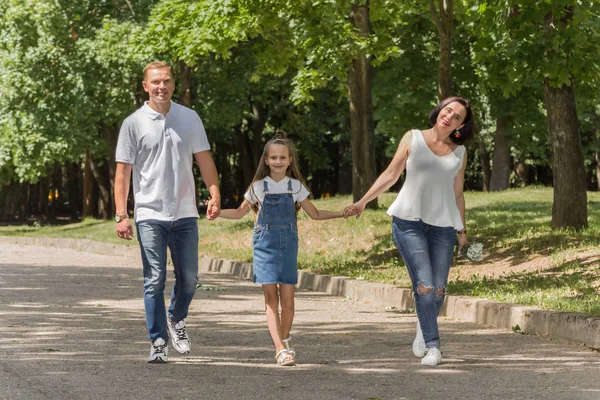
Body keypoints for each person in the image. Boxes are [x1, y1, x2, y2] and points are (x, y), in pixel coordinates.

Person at [344, 96, 473, 366]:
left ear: (461, 125)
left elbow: (457, 193)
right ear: (439, 110)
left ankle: (422, 326)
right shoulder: (412, 138)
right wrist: (363, 201)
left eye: (457, 117)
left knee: (438, 290)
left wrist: (462, 231)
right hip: (408, 221)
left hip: (444, 227)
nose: (450, 117)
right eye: (448, 110)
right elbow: (391, 175)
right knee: (424, 286)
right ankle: (434, 347)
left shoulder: (459, 152)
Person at [114, 61, 221, 363]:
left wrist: (214, 194)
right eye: (156, 82)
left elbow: (204, 160)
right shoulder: (133, 123)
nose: (162, 86)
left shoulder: (189, 118)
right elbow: (122, 174)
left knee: (189, 278)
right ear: (145, 86)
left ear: (173, 84)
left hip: (185, 213)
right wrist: (122, 214)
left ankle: (176, 317)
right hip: (149, 214)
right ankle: (158, 340)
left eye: (167, 81)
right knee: (154, 279)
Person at [218, 131, 345, 366]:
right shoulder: (258, 187)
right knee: (271, 300)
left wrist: (342, 213)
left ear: (290, 161)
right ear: (266, 160)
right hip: (264, 246)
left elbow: (315, 214)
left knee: (288, 302)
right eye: (273, 158)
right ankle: (279, 349)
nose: (278, 161)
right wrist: (216, 213)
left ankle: (285, 340)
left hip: (288, 246)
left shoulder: (295, 186)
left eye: (282, 158)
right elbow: (238, 213)